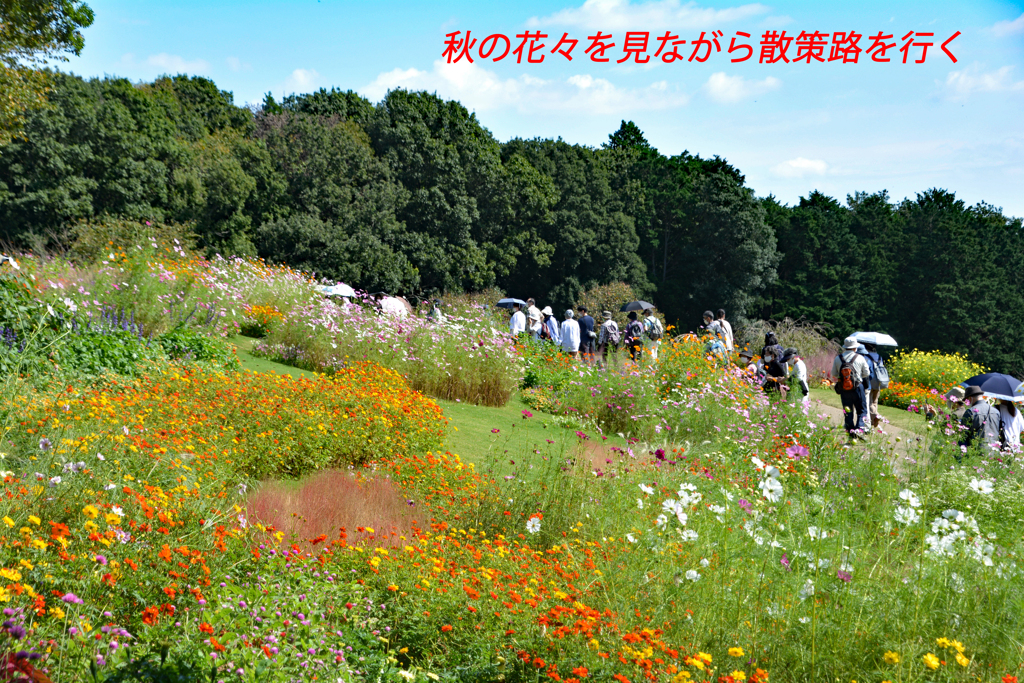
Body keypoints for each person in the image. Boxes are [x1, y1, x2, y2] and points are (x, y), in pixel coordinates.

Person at [831, 336, 871, 435]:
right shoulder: (860, 357)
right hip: (858, 387)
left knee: (847, 409)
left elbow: (834, 374)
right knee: (861, 410)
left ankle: (849, 430)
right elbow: (867, 373)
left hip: (844, 387)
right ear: (855, 347)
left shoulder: (838, 358)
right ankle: (859, 429)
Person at [959, 386, 1001, 453]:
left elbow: (963, 436)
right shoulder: (996, 411)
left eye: (967, 400)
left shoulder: (970, 412)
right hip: (994, 450)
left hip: (977, 451)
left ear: (970, 398)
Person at [857, 342, 884, 429]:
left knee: (869, 403)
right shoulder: (879, 356)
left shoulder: (866, 357)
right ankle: (873, 421)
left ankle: (876, 415)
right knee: (875, 401)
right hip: (879, 381)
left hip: (870, 382)